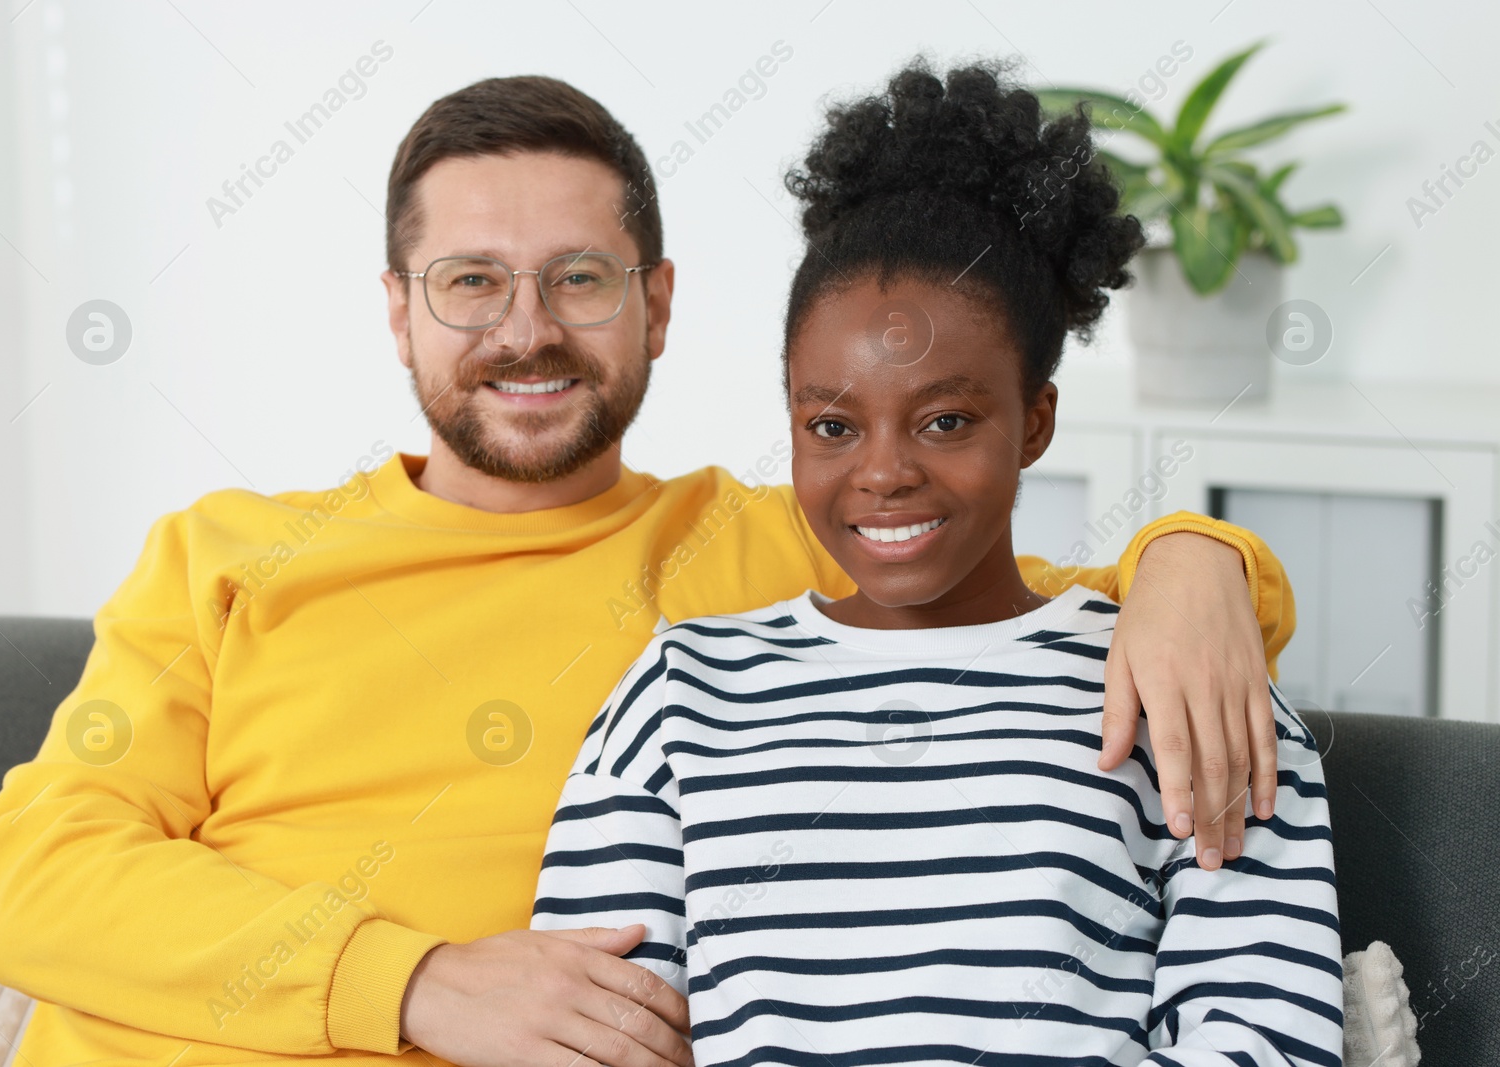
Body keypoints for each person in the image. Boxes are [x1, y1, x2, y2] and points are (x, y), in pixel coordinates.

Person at [0, 73, 1296, 1067]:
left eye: (580, 278)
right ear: (397, 310)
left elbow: (1033, 612)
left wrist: (1196, 557)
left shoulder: (774, 545)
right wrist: (413, 976)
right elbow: (43, 873)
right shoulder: (225, 552)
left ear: (658, 303)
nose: (528, 331)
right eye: (470, 283)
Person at [531, 60, 1341, 1065]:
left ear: (1034, 421)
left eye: (945, 419)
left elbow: (1263, 1037)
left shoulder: (1182, 688)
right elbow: (584, 1032)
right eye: (831, 424)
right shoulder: (678, 692)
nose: (882, 473)